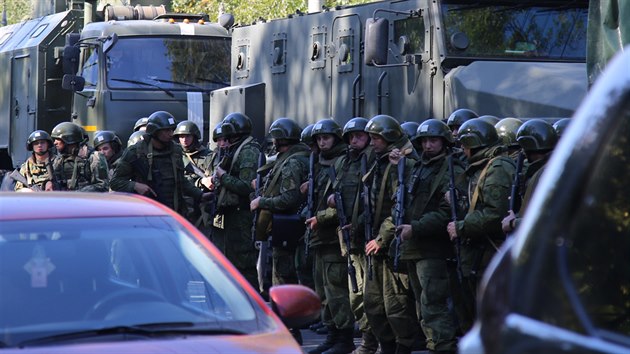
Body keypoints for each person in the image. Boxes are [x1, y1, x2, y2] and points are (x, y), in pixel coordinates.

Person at [393, 119, 461, 353]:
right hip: (414, 245)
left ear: (444, 142)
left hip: (433, 248)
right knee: (422, 305)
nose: (428, 145)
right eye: (424, 141)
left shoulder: (451, 168)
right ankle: (434, 344)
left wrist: (416, 227)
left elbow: (447, 212)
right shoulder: (419, 166)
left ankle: (442, 347)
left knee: (433, 305)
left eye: (434, 140)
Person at [445, 118, 515, 333]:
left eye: (464, 146)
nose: (462, 151)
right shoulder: (481, 166)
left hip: (489, 252)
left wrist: (462, 226)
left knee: (489, 317)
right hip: (477, 253)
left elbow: (495, 213)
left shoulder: (497, 167)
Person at [362, 114, 419, 354]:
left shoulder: (404, 165)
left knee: (396, 305)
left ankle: (402, 347)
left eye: (376, 138)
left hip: (392, 244)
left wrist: (381, 239)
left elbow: (400, 206)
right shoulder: (379, 162)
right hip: (374, 242)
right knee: (373, 305)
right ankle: (386, 346)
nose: (372, 142)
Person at [305, 118, 356, 354]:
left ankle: (344, 339)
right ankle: (333, 334)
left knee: (337, 291)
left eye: (326, 138)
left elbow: (345, 202)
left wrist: (321, 217)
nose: (322, 142)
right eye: (319, 139)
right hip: (318, 237)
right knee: (323, 291)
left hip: (333, 237)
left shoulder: (343, 162)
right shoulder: (319, 161)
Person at [330, 117, 379, 354]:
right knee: (355, 293)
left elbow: (371, 202)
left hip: (365, 234)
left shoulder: (370, 159)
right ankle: (367, 342)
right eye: (351, 137)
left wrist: (357, 224)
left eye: (359, 136)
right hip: (348, 235)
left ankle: (371, 343)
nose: (354, 140)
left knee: (368, 293)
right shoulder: (345, 162)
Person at [110, 111, 210, 215]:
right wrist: (135, 185)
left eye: (172, 130)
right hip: (145, 213)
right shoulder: (136, 152)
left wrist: (199, 195)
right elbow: (115, 182)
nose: (171, 134)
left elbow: (181, 180)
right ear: (155, 131)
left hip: (174, 212)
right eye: (166, 131)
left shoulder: (176, 151)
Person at [210, 112, 262, 290]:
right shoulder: (234, 150)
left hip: (242, 215)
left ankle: (252, 302)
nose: (224, 141)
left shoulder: (248, 151)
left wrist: (223, 177)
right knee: (230, 260)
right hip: (231, 215)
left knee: (243, 262)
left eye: (228, 135)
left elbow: (247, 186)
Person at [502, 119, 558, 234]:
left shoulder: (545, 173)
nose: (522, 152)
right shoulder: (553, 168)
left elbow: (546, 220)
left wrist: (513, 223)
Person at [50, 122, 109, 192]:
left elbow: (102, 186)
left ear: (68, 139)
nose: (55, 143)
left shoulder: (94, 157)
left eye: (58, 139)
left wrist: (78, 194)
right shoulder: (59, 160)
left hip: (86, 201)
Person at [173, 120, 213, 225]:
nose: (184, 140)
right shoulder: (175, 155)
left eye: (188, 136)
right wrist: (200, 181)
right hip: (184, 201)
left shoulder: (209, 155)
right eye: (181, 137)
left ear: (194, 137)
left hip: (205, 200)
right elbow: (178, 178)